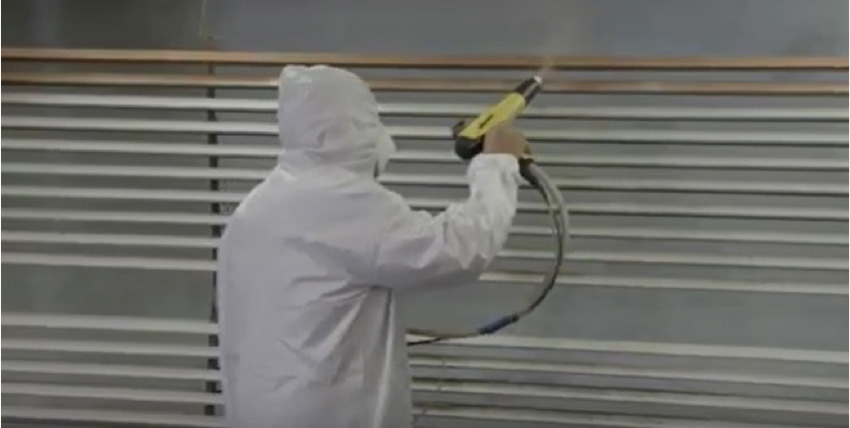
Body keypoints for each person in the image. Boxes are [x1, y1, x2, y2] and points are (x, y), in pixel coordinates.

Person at [217, 65, 527, 428]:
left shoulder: (262, 203)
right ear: (354, 126)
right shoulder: (343, 202)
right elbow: (460, 248)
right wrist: (497, 165)